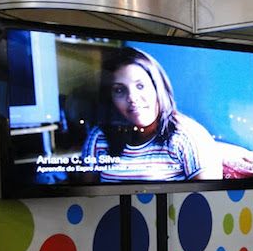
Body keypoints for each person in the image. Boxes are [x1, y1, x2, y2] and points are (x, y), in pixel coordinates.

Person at [82, 47, 222, 182]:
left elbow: (208, 195)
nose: (132, 98)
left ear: (158, 87)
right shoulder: (99, 136)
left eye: (140, 86)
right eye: (119, 90)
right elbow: (86, 194)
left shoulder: (185, 136)